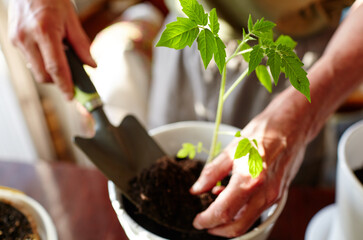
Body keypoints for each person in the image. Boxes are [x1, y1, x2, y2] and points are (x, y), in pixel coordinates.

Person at [8, 0, 363, 238]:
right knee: (175, 163)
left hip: (309, 67)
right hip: (191, 35)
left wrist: (301, 115)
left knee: (263, 192)